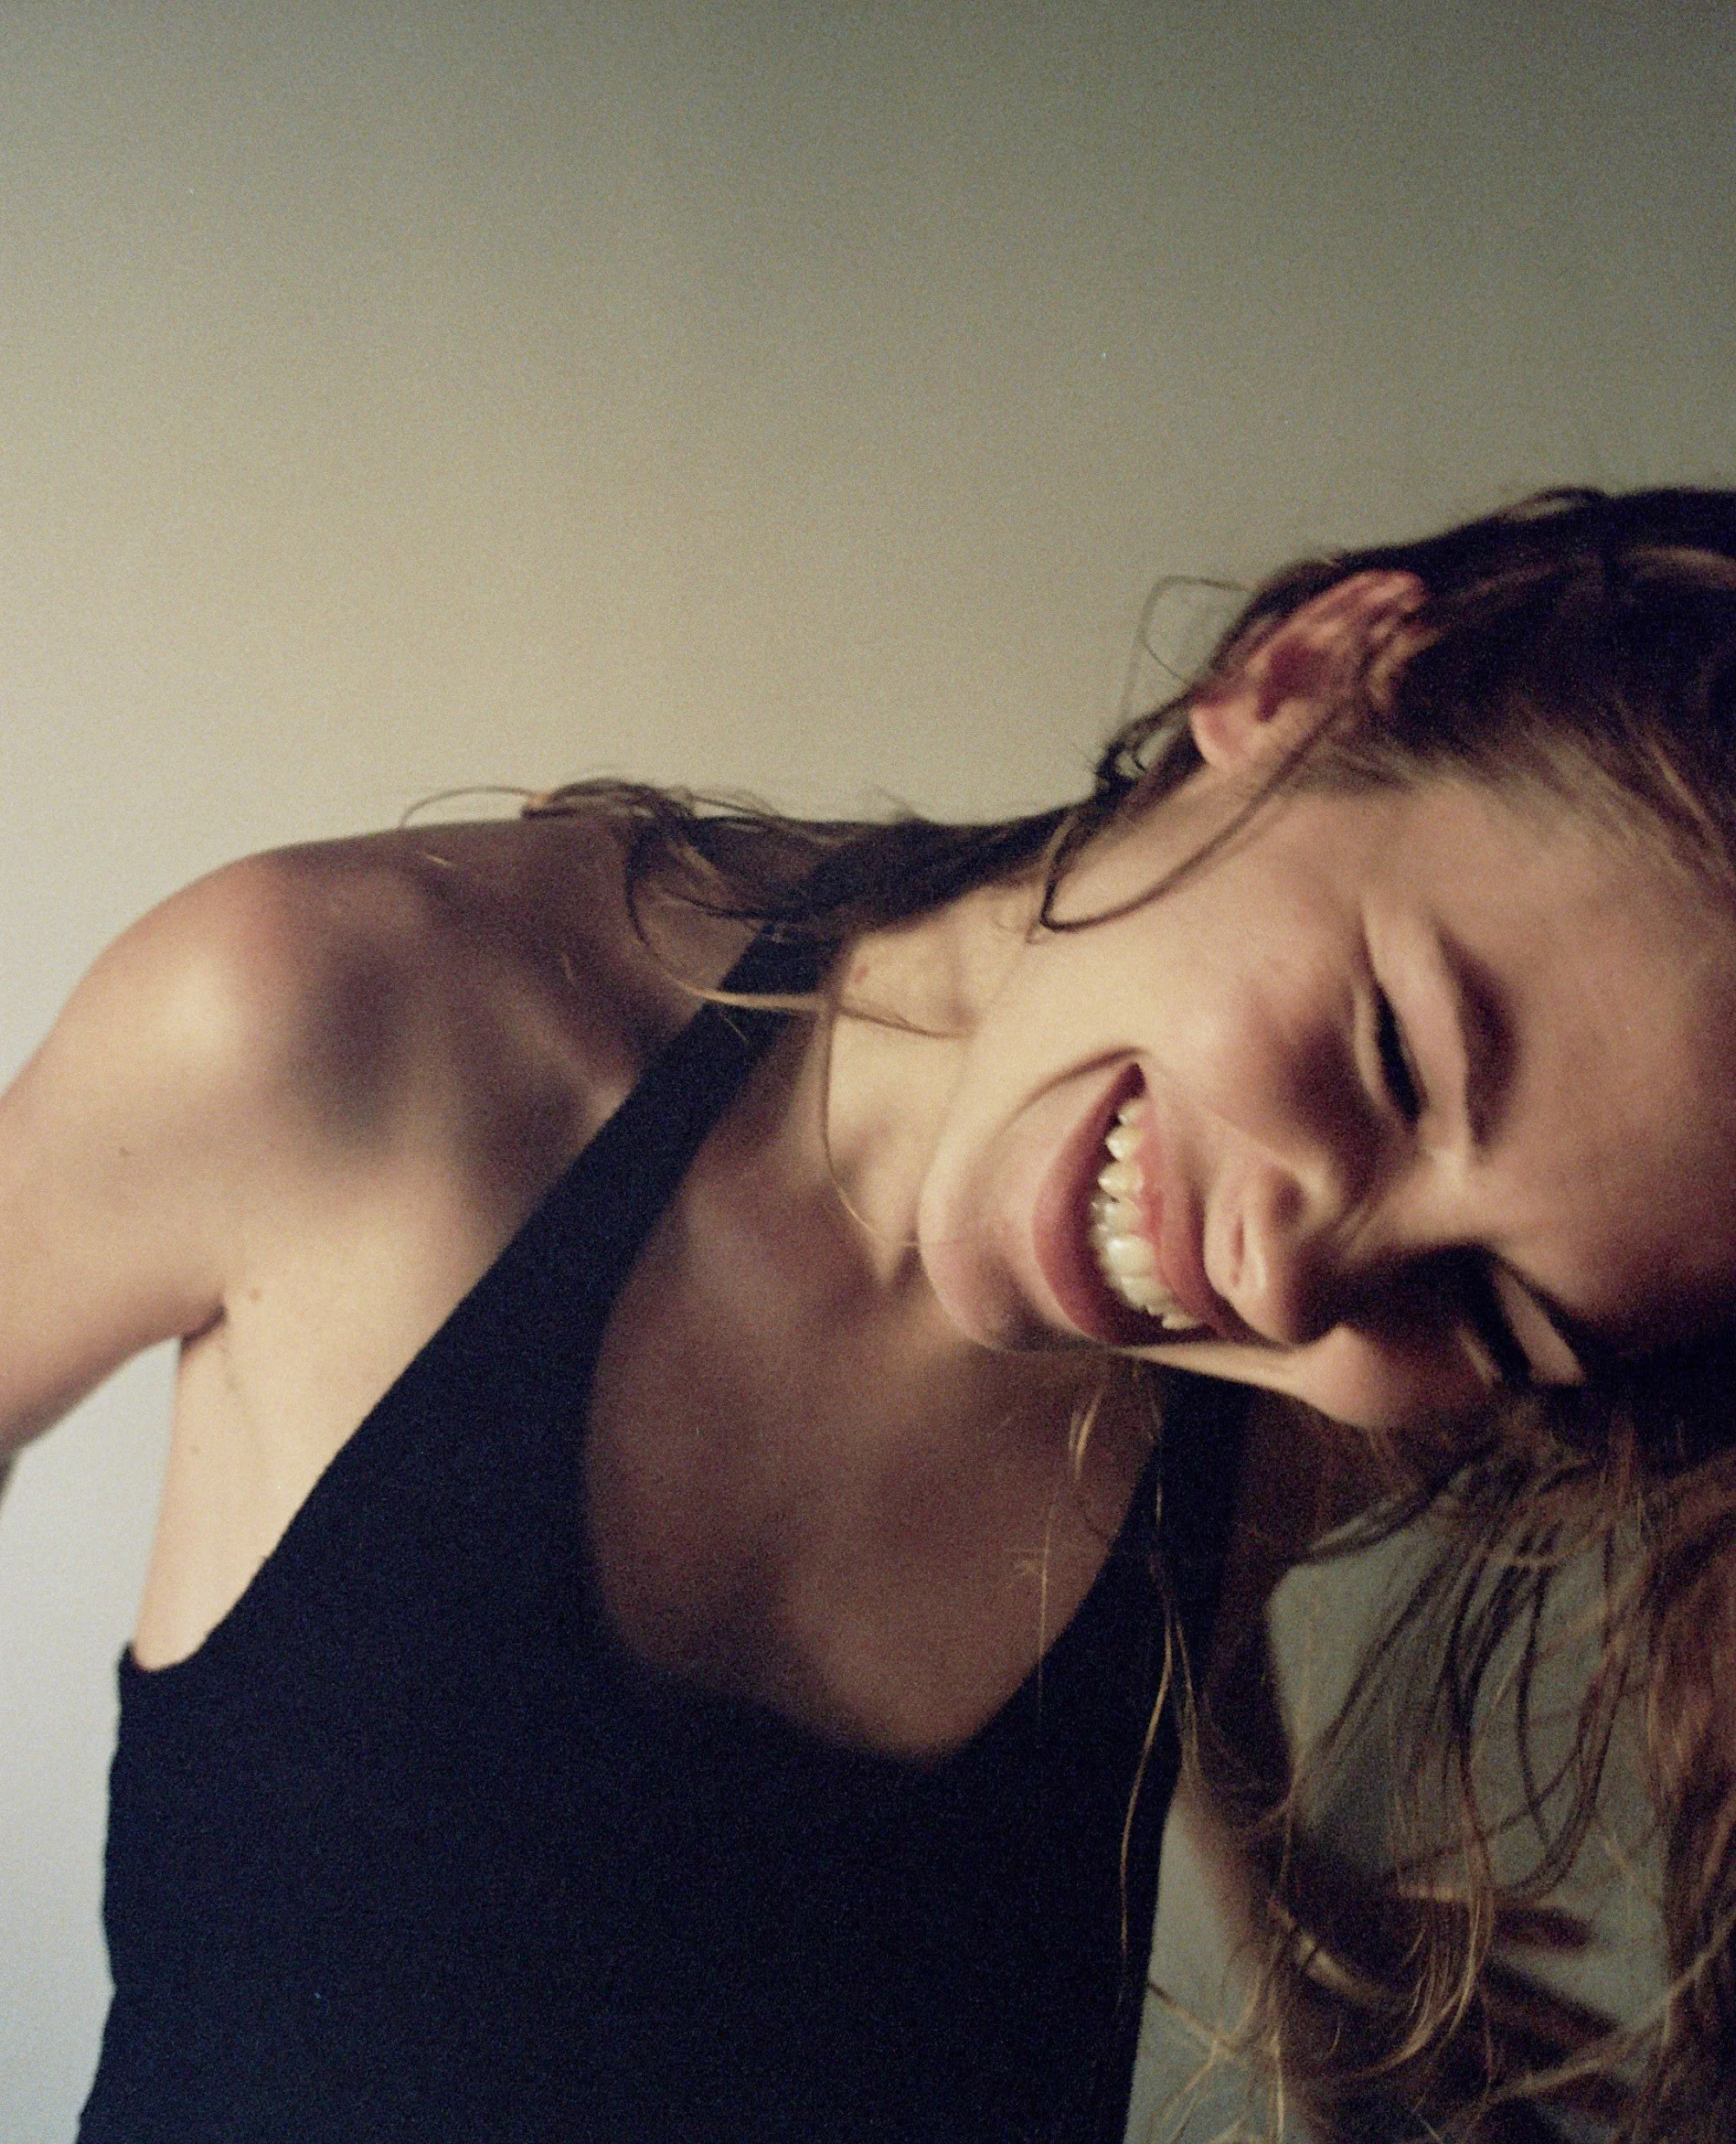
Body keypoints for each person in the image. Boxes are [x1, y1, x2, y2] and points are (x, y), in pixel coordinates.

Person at [3, 483, 1733, 2141]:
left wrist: (1314, 1938)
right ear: (1300, 683)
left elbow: (1193, 1628)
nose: (1290, 1288)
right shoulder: (337, 1025)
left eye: (1492, 1306)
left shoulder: (1314, 1409)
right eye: (1396, 1056)